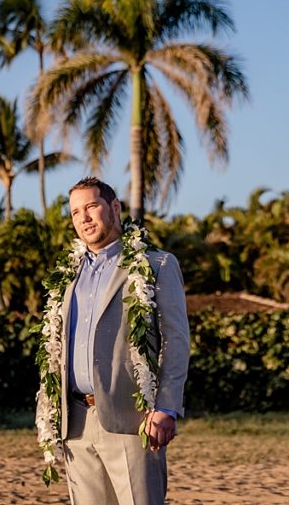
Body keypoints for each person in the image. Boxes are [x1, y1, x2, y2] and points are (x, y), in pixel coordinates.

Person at [60, 177, 190, 505]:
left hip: (133, 420)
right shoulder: (67, 275)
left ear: (114, 207)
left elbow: (176, 340)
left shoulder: (156, 264)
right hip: (75, 423)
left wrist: (166, 408)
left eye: (91, 207)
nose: (84, 218)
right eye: (76, 212)